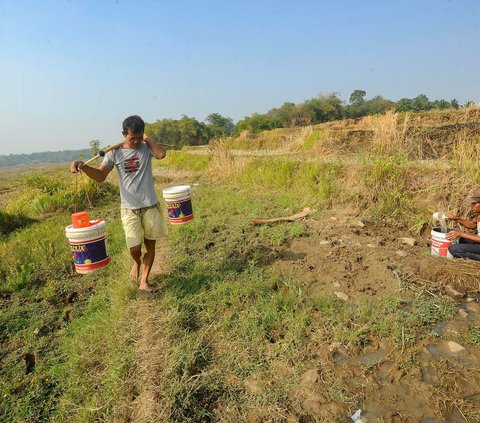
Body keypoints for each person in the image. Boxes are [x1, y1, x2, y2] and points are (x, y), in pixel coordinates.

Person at [70, 115, 167, 291]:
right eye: (132, 138)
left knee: (150, 243)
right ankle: (136, 262)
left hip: (150, 204)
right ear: (124, 134)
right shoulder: (115, 152)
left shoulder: (146, 147)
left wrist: (147, 138)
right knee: (134, 247)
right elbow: (100, 176)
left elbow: (161, 154)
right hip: (129, 208)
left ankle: (144, 282)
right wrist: (82, 166)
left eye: (140, 137)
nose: (137, 141)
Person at [446, 188, 480, 261]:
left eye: (474, 203)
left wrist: (461, 234)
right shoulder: (478, 215)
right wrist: (456, 218)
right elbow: (472, 225)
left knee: (453, 249)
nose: (472, 205)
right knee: (461, 240)